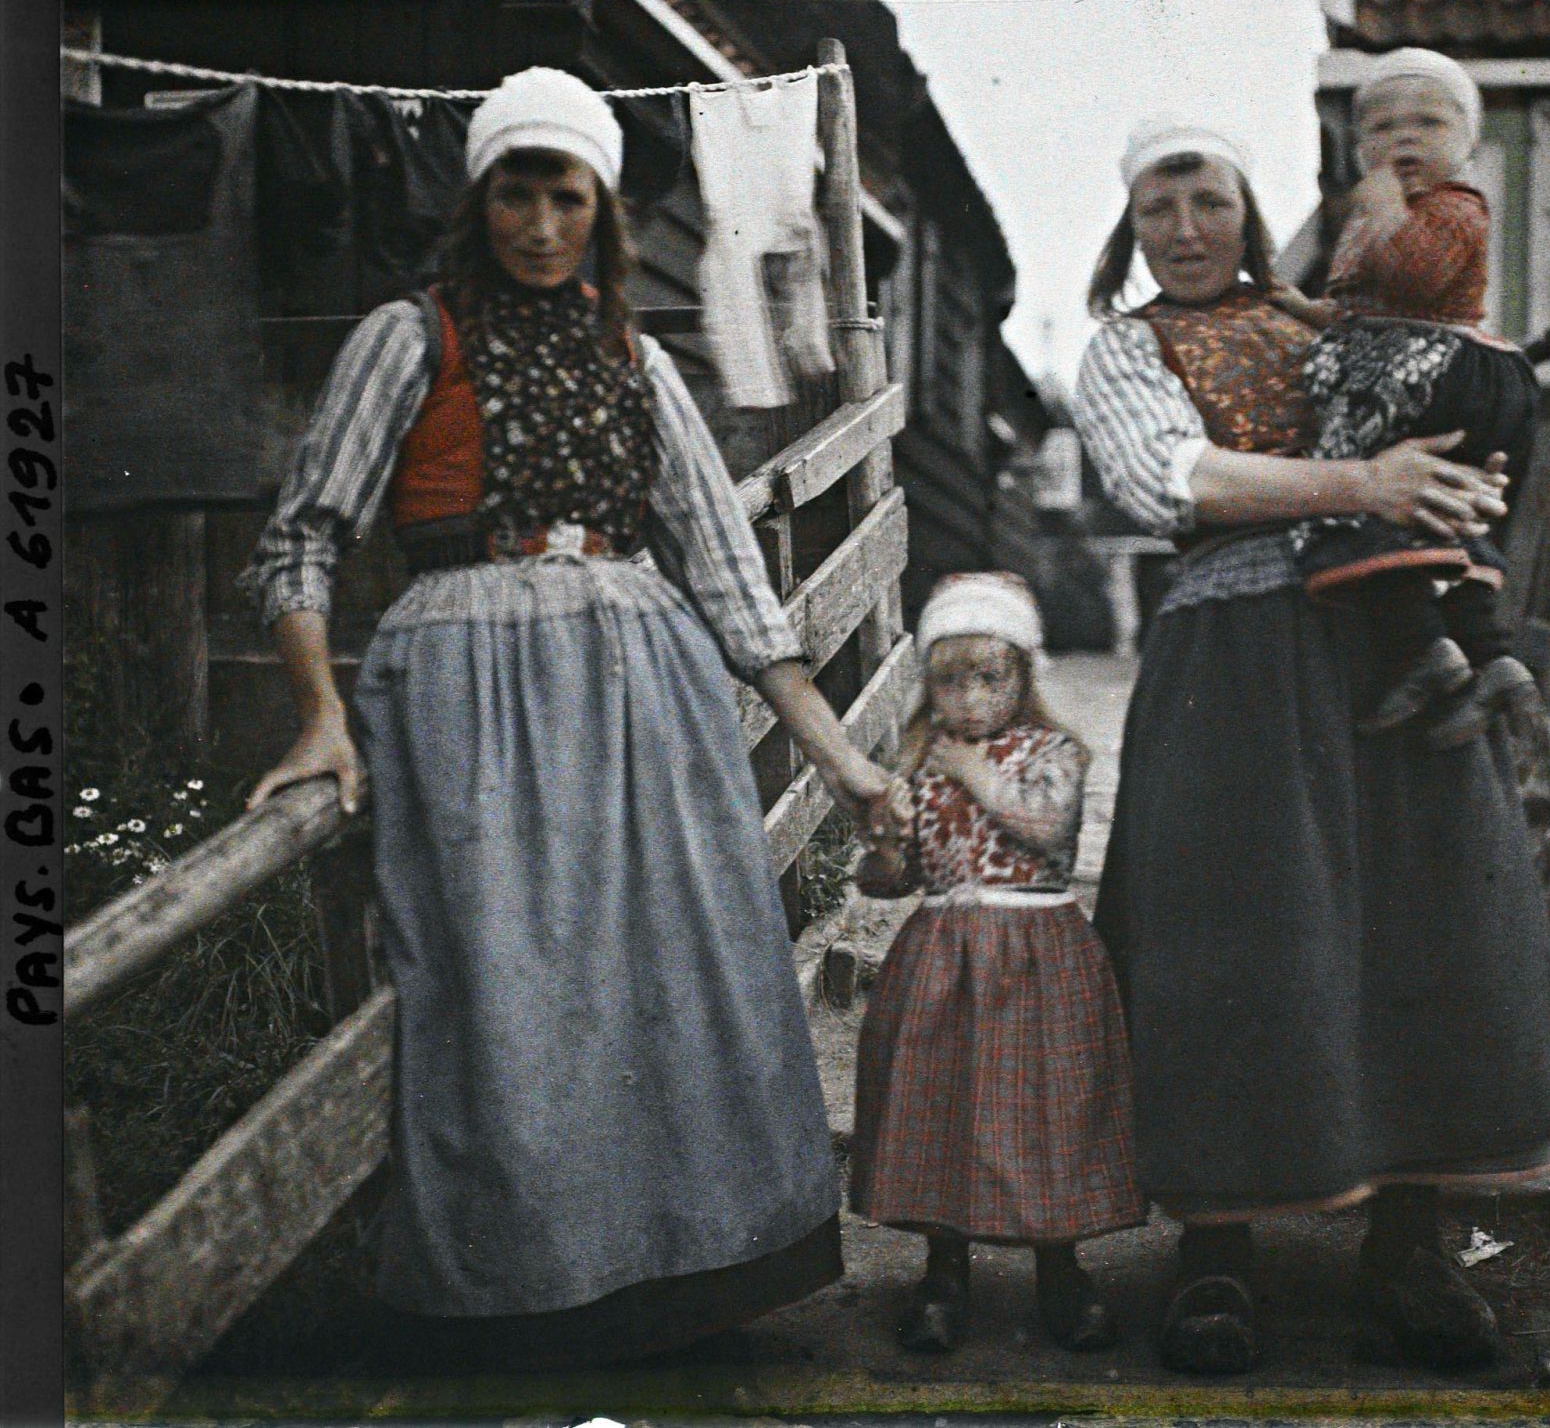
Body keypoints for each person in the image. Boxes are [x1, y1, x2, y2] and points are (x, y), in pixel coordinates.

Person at [241, 67, 896, 1368]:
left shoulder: (635, 355)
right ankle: (530, 1297)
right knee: (505, 987)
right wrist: (321, 714)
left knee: (685, 970)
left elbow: (729, 577)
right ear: (479, 197)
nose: (539, 223)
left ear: (600, 209)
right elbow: (303, 537)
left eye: (565, 196)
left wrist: (846, 762)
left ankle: (692, 1278)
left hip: (647, 687)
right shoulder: (406, 336)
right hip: (462, 685)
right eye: (515, 192)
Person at [1071, 114, 1550, 1374]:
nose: (1184, 231)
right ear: (1129, 228)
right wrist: (1365, 486)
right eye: (1156, 208)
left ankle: (1409, 1245)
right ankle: (1214, 1251)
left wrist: (1458, 477)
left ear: (1250, 211)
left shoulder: (1337, 328)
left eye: (1205, 202)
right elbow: (1172, 479)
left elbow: (1458, 410)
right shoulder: (1125, 349)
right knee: (1228, 936)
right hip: (1232, 654)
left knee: (1427, 918)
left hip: (1386, 642)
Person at [848, 572, 1146, 1356]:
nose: (972, 698)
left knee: (1048, 1107)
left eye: (990, 676)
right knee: (940, 1104)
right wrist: (884, 838)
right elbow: (892, 881)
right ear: (929, 685)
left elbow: (1049, 830)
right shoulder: (920, 760)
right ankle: (945, 1270)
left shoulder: (1052, 751)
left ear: (1022, 673)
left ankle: (1062, 1267)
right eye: (951, 680)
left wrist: (977, 775)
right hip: (942, 955)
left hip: (1038, 950)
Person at [1273, 47, 1541, 749]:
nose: (1405, 139)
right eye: (1383, 129)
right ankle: (1488, 655)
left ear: (1468, 143)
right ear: (1359, 147)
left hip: (1438, 369)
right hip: (1420, 361)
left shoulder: (1455, 208)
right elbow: (1364, 315)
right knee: (1440, 512)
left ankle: (1420, 651)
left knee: (1348, 493)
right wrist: (1299, 308)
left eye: (1428, 122)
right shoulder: (1379, 222)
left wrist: (1385, 203)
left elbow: (1416, 280)